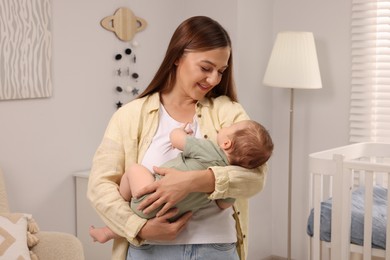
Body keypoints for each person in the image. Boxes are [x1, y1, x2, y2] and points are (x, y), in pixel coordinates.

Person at [87, 15, 268, 260]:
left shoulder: (228, 111)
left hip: (215, 249)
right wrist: (140, 227)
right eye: (206, 68)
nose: (214, 79)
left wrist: (193, 181)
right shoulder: (130, 116)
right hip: (149, 249)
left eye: (221, 71)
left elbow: (255, 177)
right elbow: (100, 186)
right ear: (177, 57)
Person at [89, 119, 273, 243]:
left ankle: (122, 208)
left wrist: (180, 131)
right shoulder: (232, 182)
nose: (223, 127)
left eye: (229, 128)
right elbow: (224, 205)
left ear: (226, 144)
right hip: (171, 215)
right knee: (144, 209)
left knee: (134, 170)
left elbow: (176, 140)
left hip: (147, 196)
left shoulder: (209, 148)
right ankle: (109, 230)